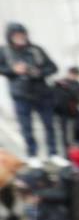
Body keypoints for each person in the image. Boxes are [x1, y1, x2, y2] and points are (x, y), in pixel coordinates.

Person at [3, 22, 60, 162]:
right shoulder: (4, 51)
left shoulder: (36, 50)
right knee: (26, 127)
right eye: (16, 35)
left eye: (22, 34)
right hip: (21, 94)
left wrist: (39, 72)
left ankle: (53, 154)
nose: (20, 37)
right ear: (10, 36)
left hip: (42, 93)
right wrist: (13, 71)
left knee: (49, 125)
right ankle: (32, 155)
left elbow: (53, 67)